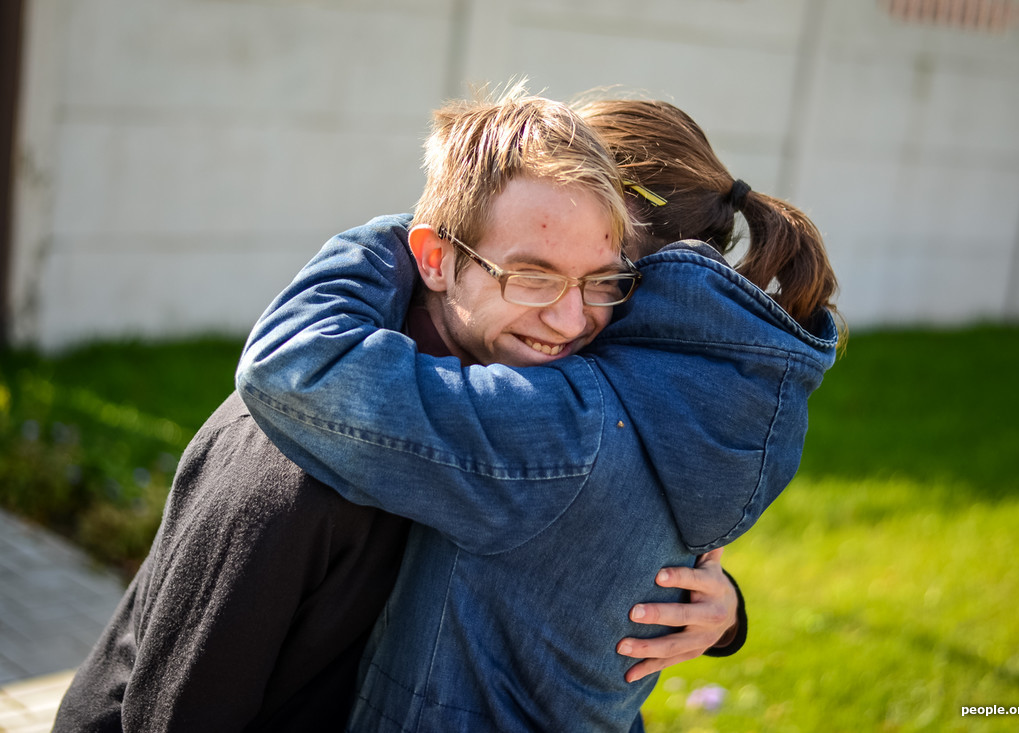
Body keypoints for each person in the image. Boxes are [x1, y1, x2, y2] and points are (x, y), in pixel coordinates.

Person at [51, 91, 743, 733]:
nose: (570, 318)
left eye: (603, 281)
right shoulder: (293, 451)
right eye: (532, 274)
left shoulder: (539, 422)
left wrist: (717, 603)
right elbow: (182, 707)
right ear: (438, 259)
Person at [235, 91, 839, 730]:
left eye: (599, 275)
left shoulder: (562, 425)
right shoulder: (723, 386)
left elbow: (296, 366)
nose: (570, 314)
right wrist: (729, 611)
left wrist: (418, 232)